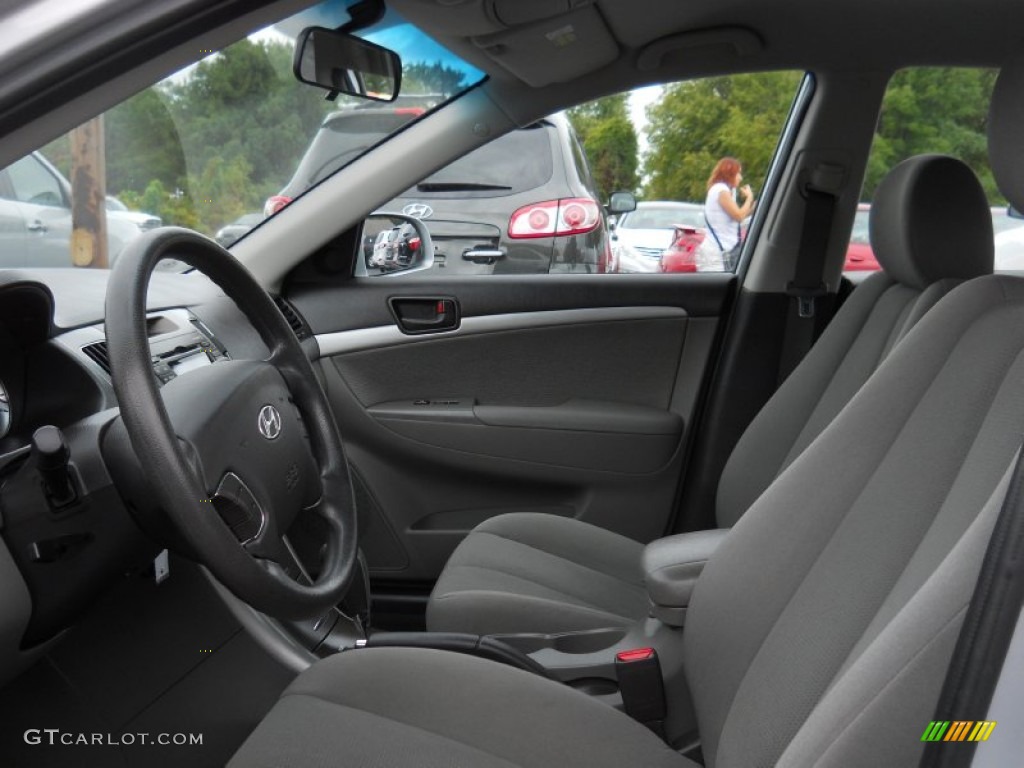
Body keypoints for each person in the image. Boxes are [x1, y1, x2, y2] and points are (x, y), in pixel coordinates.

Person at [698, 156, 756, 271]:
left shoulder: (726, 190)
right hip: (717, 252)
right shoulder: (721, 190)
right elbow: (739, 216)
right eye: (738, 173)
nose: (741, 177)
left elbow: (738, 217)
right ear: (730, 174)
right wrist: (749, 198)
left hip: (722, 250)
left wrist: (753, 207)